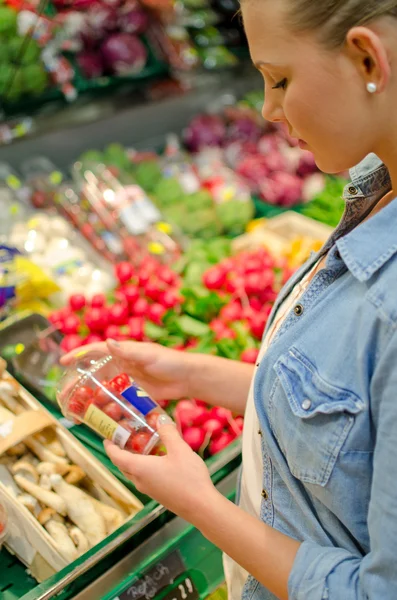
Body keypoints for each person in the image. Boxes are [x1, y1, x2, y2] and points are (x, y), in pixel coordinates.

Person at [63, 1, 397, 598]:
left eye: (280, 79)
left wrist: (199, 501)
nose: (268, 108)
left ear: (367, 58)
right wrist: (195, 374)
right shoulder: (378, 193)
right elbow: (360, 428)